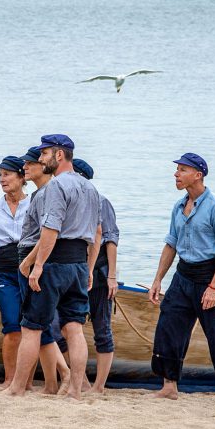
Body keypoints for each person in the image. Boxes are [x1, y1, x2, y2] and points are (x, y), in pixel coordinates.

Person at [148, 153, 215, 404]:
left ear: (198, 174)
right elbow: (171, 244)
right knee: (169, 327)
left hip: (209, 275)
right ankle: (169, 386)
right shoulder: (178, 207)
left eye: (182, 170)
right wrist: (158, 279)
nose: (176, 174)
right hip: (183, 275)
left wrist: (214, 286)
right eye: (177, 170)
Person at [8, 134, 102, 400]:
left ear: (59, 155)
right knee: (74, 327)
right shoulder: (91, 189)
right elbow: (96, 234)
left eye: (44, 153)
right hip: (78, 263)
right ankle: (75, 391)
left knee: (31, 327)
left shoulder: (56, 187)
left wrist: (37, 266)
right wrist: (89, 269)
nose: (40, 158)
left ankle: (16, 388)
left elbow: (51, 229)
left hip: (54, 261)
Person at [18, 146, 70, 394]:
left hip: (34, 256)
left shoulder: (49, 192)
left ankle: (62, 373)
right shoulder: (39, 193)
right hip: (36, 255)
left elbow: (48, 232)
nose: (26, 167)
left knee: (34, 324)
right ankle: (53, 381)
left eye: (31, 162)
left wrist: (30, 261)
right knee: (38, 324)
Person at [0, 156, 30, 387]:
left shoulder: (34, 204)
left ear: (22, 177)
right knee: (12, 325)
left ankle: (27, 381)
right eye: (0, 175)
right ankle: (10, 379)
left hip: (31, 268)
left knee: (33, 326)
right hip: (4, 269)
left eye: (7, 174)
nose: (2, 179)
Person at [73, 158, 119, 393]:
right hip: (76, 268)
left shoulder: (101, 201)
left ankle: (99, 386)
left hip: (99, 273)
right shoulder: (69, 199)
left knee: (102, 327)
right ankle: (82, 382)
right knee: (71, 324)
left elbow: (110, 240)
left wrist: (112, 276)